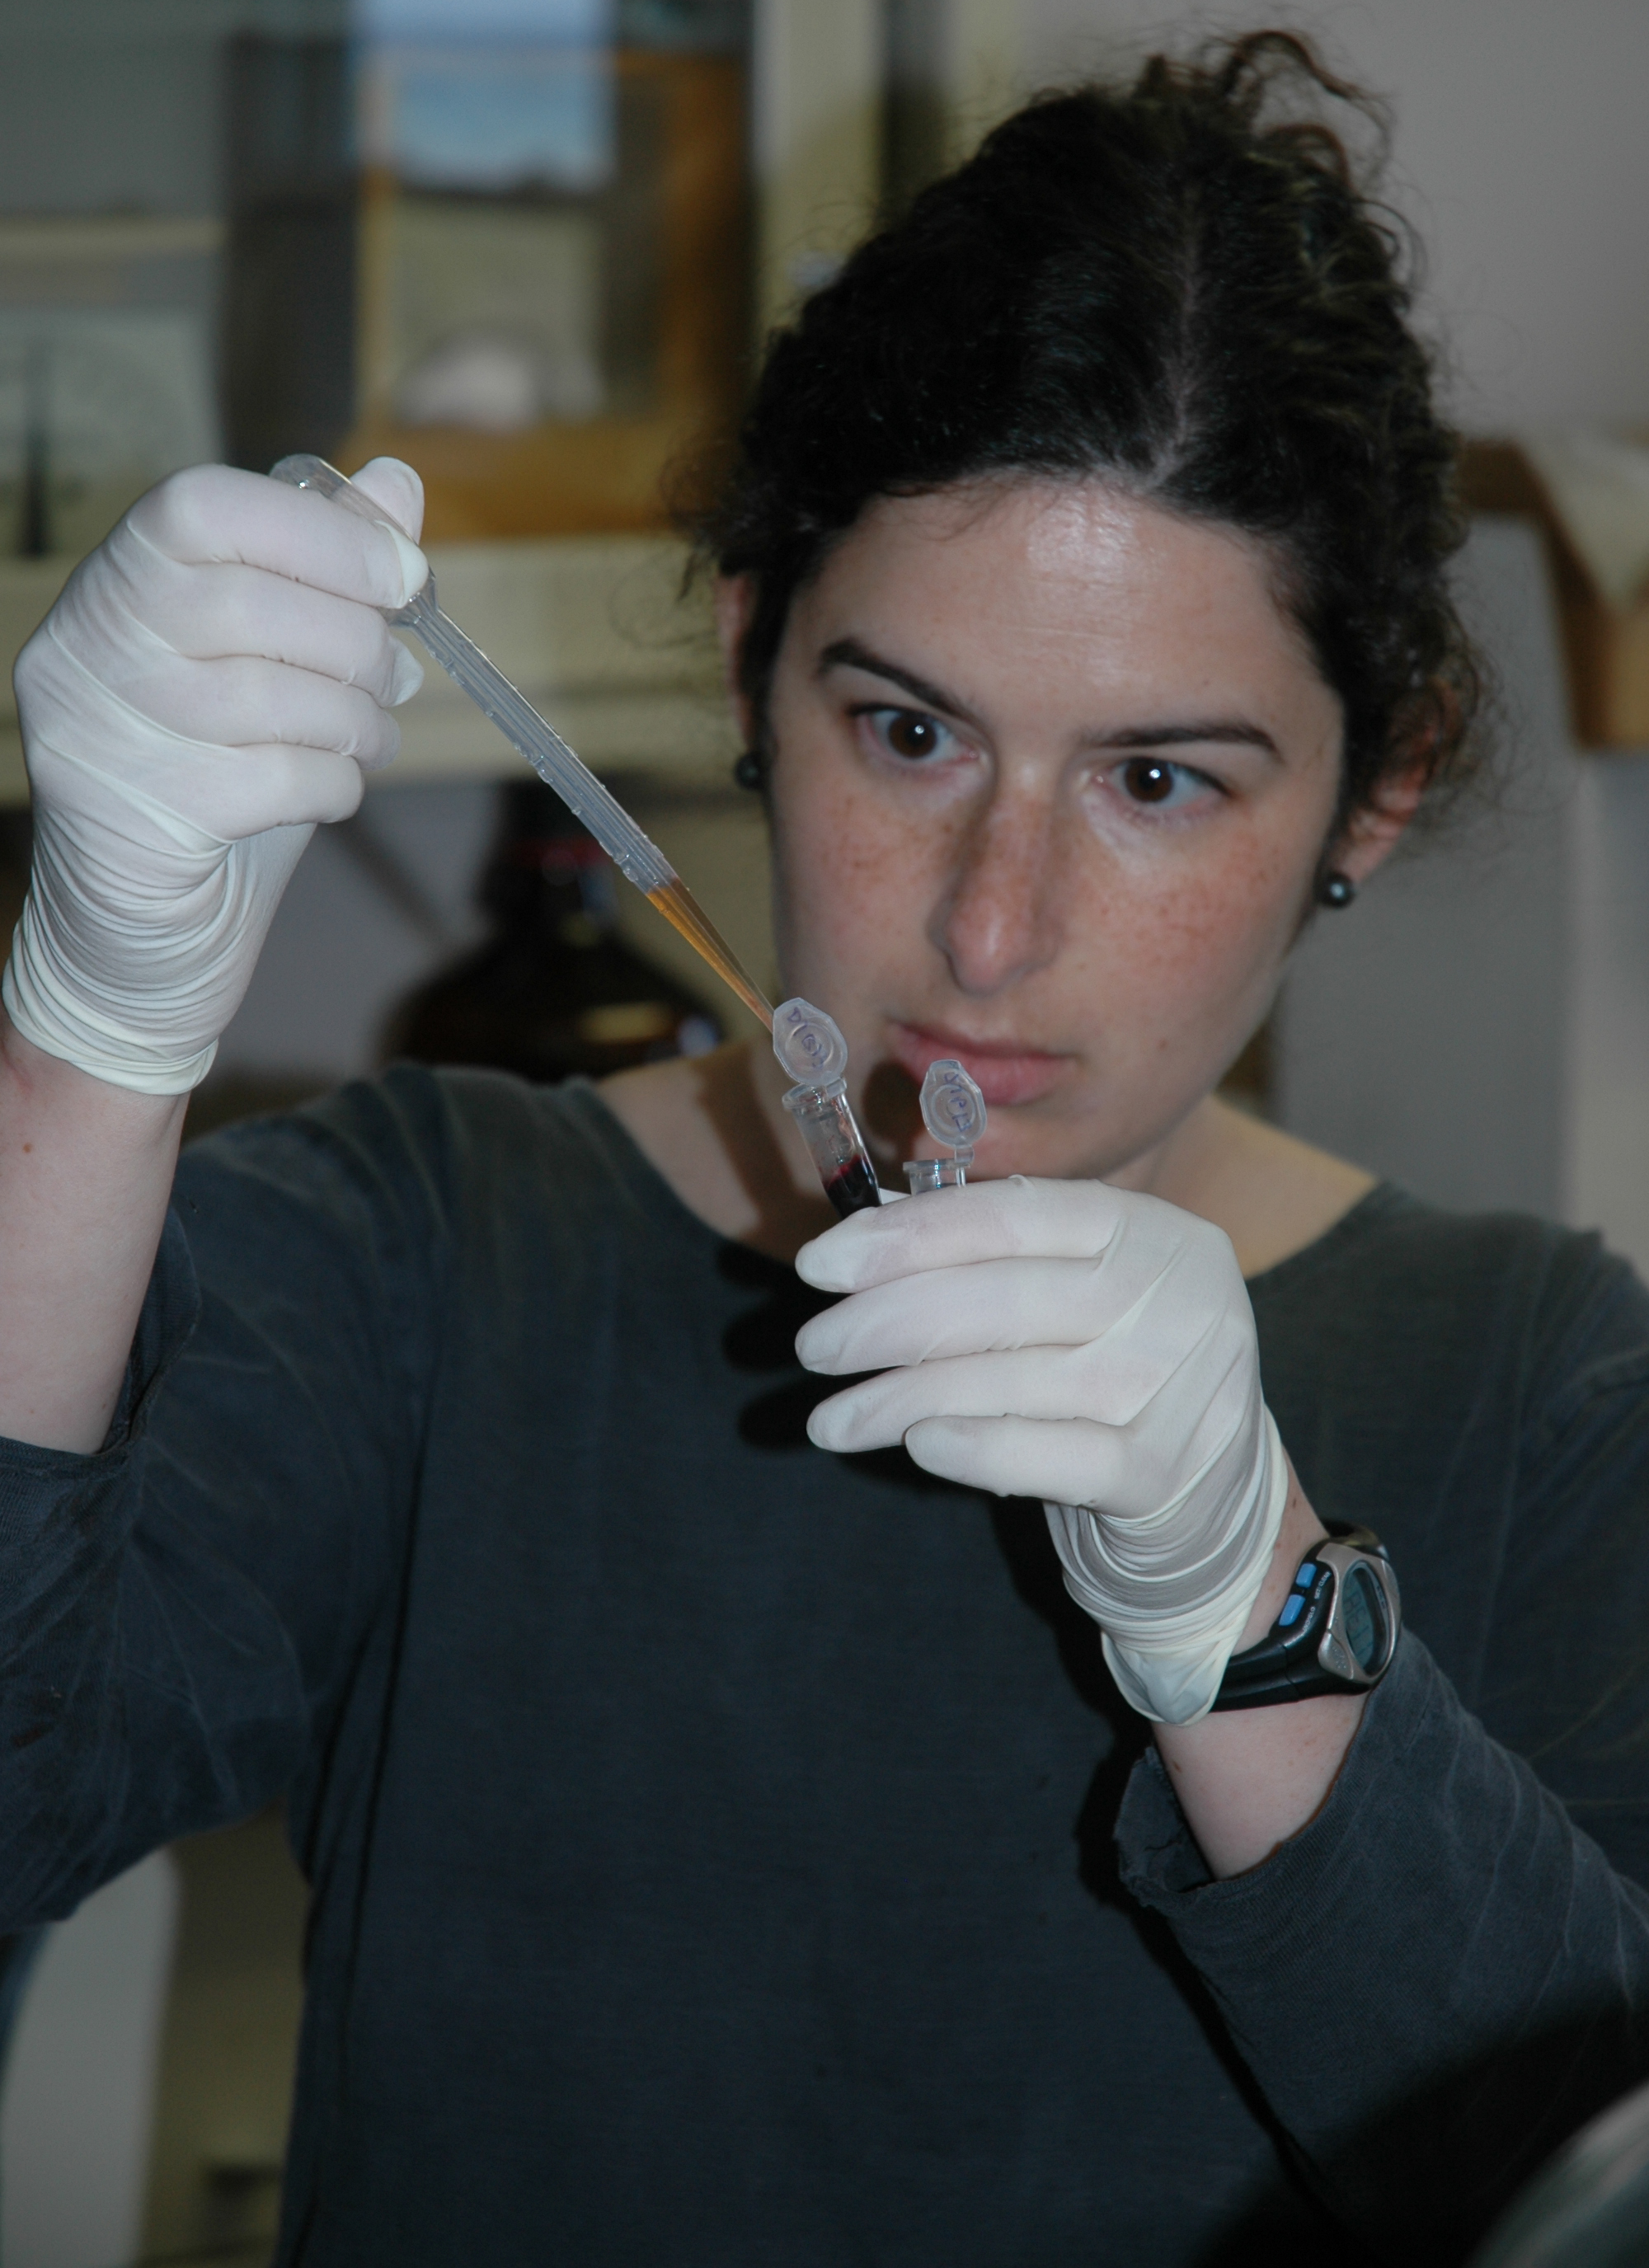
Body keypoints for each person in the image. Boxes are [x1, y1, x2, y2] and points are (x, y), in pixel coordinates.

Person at [0, 31, 1645, 2268]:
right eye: (908, 731)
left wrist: (1251, 1614)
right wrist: (87, 1037)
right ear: (753, 665)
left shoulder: (1544, 1385)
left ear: (1379, 786)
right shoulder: (432, 1254)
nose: (991, 926)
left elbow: (1588, 2175)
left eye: (1159, 780)